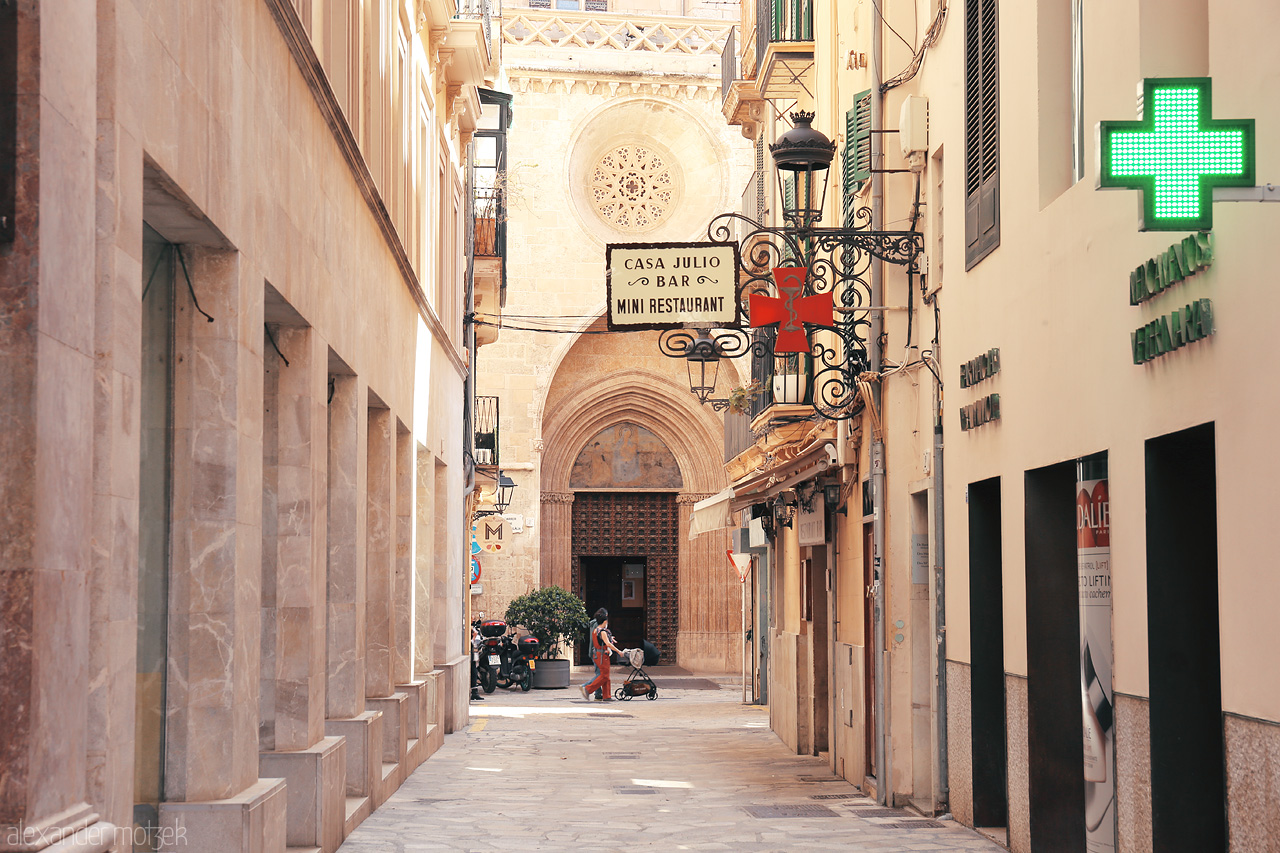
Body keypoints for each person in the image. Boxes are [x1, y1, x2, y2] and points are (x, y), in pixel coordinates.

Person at [580, 609, 622, 701]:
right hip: (602, 655)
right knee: (604, 676)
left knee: (605, 675)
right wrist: (618, 651)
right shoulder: (602, 631)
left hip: (598, 654)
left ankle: (607, 696)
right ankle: (588, 689)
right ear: (605, 621)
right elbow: (608, 644)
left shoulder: (595, 630)